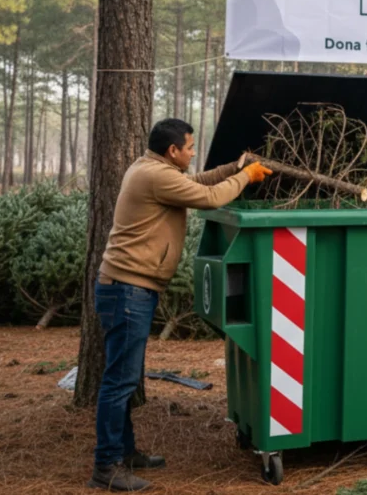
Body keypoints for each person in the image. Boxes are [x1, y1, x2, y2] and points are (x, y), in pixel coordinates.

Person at [88, 119, 272, 491]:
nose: (192, 152)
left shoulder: (154, 169)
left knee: (123, 379)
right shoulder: (155, 177)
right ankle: (106, 467)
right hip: (127, 292)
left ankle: (124, 453)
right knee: (119, 383)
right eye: (189, 147)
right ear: (173, 151)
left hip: (128, 290)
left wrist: (235, 167)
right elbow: (209, 198)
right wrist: (246, 177)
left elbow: (199, 182)